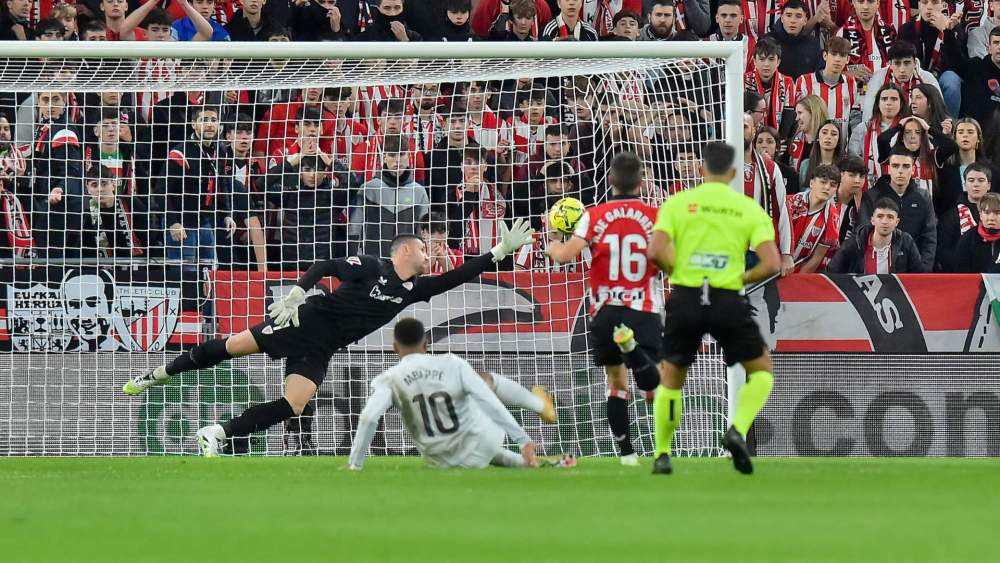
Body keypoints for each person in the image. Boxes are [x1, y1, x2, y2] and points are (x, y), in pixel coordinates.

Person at [122, 215, 536, 457]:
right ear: (405, 252)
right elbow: (325, 265)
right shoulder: (372, 265)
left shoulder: (414, 289)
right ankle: (157, 374)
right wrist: (297, 293)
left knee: (295, 403)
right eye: (425, 251)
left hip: (323, 347)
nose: (431, 257)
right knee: (228, 348)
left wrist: (498, 253)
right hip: (304, 321)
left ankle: (219, 433)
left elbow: (456, 279)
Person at [647, 141, 780, 475]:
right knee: (762, 370)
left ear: (702, 170)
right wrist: (741, 276)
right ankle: (737, 429)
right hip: (727, 298)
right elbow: (773, 263)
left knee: (672, 377)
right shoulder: (748, 209)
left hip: (687, 296)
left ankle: (662, 454)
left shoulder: (678, 203)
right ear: (733, 173)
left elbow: (656, 251)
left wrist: (678, 272)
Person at [546, 152, 664, 466]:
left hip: (605, 310)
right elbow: (670, 260)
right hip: (643, 306)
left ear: (610, 181)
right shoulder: (656, 216)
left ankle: (627, 457)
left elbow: (564, 256)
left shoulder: (593, 216)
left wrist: (551, 241)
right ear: (641, 182)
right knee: (655, 385)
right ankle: (662, 451)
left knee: (616, 384)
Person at [347, 318, 562, 470]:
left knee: (460, 441)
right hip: (480, 443)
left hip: (439, 460)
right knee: (485, 382)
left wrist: (354, 465)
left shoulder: (390, 378)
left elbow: (368, 417)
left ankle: (522, 463)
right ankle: (540, 406)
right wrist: (523, 440)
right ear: (426, 345)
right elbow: (487, 400)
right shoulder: (452, 364)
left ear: (394, 348)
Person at [860, 147, 938, 271]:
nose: (900, 171)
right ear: (889, 169)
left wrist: (924, 270)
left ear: (913, 170)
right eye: (895, 166)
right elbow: (862, 233)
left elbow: (929, 236)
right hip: (879, 268)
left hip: (915, 270)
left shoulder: (923, 197)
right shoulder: (872, 196)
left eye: (906, 166)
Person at [827, 198, 926, 273]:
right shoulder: (855, 242)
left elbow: (919, 277)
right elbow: (832, 273)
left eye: (890, 217)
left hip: (895, 298)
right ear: (872, 220)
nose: (884, 221)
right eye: (880, 216)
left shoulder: (906, 242)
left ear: (897, 222)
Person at [785, 163, 842, 272]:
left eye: (833, 185)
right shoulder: (789, 202)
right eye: (823, 182)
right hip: (772, 263)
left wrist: (796, 282)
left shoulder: (832, 218)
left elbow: (817, 258)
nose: (827, 187)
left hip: (798, 271)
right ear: (812, 183)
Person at [764, 0, 823, 80]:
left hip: (805, 91)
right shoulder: (767, 42)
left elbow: (818, 78)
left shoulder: (814, 45)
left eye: (798, 16)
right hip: (776, 91)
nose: (792, 21)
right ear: (782, 18)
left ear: (805, 20)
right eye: (788, 15)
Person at [954, 192, 1000, 273]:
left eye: (997, 213)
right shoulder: (968, 238)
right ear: (980, 215)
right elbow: (960, 270)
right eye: (987, 213)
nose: (991, 218)